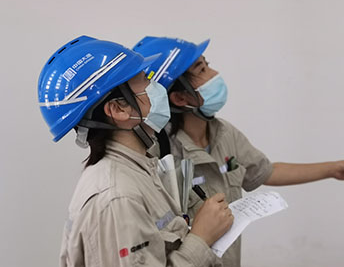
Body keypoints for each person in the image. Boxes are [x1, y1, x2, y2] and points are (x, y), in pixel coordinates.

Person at [133, 36, 344, 267]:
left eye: (207, 64)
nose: (214, 74)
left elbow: (266, 172)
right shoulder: (156, 154)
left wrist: (334, 169)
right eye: (201, 69)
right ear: (179, 97)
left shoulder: (224, 133)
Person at [38, 36, 233, 267]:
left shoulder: (139, 169)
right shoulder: (118, 197)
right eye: (144, 79)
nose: (156, 86)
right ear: (118, 109)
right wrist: (201, 238)